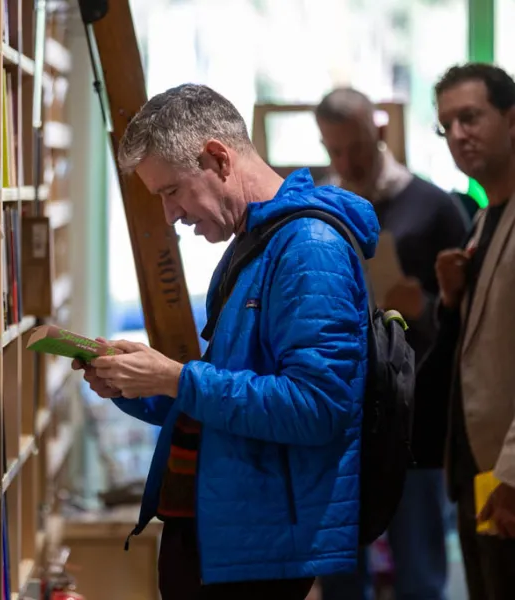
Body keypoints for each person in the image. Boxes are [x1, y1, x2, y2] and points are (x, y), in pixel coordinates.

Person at [72, 83, 379, 600]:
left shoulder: (308, 249)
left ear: (218, 158)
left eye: (171, 191)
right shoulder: (257, 243)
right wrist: (138, 386)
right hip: (230, 531)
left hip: (259, 545)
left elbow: (317, 406)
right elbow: (229, 391)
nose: (169, 215)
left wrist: (173, 377)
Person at [314, 87, 468, 600]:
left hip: (417, 418)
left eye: (356, 146)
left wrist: (423, 303)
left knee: (420, 571)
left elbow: (473, 317)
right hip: (340, 416)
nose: (347, 161)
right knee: (338, 578)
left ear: (378, 133)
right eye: (334, 150)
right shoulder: (322, 209)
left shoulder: (434, 206)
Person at [419, 62, 515, 600]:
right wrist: (453, 299)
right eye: (447, 124)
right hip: (475, 468)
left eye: (471, 117)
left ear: (512, 119)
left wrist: (512, 474)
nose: (457, 134)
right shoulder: (483, 217)